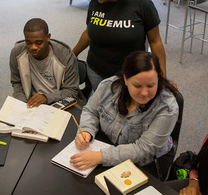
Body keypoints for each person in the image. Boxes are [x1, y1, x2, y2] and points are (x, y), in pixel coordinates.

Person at [70, 51, 179, 180]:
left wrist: (101, 157)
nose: (144, 93)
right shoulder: (108, 86)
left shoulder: (167, 107)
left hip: (147, 160)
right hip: (108, 144)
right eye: (137, 85)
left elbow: (143, 150)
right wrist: (87, 130)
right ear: (126, 79)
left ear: (158, 80)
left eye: (151, 85)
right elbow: (91, 111)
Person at [72, 0, 170, 91]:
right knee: (100, 105)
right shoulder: (95, 3)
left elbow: (155, 42)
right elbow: (89, 32)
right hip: (96, 71)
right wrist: (73, 53)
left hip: (130, 75)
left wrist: (162, 76)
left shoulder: (142, 5)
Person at [10, 18, 85, 108]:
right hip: (32, 103)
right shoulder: (17, 53)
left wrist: (46, 98)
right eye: (28, 43)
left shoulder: (65, 55)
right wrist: (23, 104)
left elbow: (71, 91)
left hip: (60, 102)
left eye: (38, 43)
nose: (33, 47)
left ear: (48, 37)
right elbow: (17, 83)